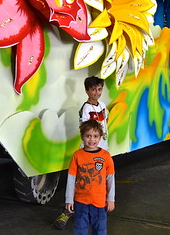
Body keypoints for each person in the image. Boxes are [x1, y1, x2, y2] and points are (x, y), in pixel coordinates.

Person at [54, 76, 109, 230]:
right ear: (87, 91)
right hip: (88, 152)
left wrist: (104, 148)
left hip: (102, 149)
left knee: (98, 180)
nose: (97, 92)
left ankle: (96, 210)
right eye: (93, 89)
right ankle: (67, 211)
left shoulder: (103, 105)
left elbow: (104, 126)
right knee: (81, 181)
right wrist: (90, 148)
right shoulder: (86, 108)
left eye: (99, 89)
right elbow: (87, 130)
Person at [65, 120, 115, 235]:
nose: (92, 140)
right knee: (80, 230)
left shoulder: (106, 156)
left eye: (95, 136)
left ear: (100, 137)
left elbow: (110, 179)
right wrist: (69, 199)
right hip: (80, 202)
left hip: (100, 202)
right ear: (82, 137)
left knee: (100, 231)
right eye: (88, 136)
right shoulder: (77, 155)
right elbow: (71, 178)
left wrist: (111, 199)